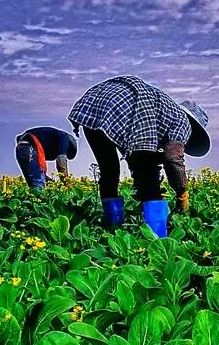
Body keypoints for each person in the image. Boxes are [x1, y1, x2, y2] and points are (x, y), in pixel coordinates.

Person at [67, 75, 210, 237]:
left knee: (109, 169)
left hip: (95, 104)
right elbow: (172, 157)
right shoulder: (183, 121)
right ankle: (158, 236)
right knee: (148, 175)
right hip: (127, 105)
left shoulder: (163, 110)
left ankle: (114, 228)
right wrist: (182, 192)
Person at [15, 126, 78, 191]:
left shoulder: (51, 141)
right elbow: (61, 163)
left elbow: (37, 171)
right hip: (30, 146)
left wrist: (52, 183)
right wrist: (67, 186)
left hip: (20, 148)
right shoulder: (65, 139)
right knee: (38, 186)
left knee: (33, 183)